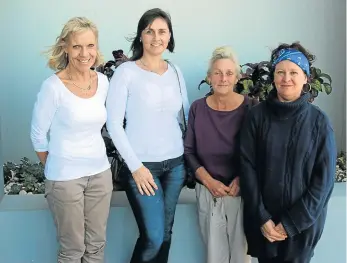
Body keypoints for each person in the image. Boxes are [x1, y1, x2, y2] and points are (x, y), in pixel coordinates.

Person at [239, 42, 337, 263]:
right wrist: (263, 218)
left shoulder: (319, 123)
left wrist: (291, 224)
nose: (286, 78)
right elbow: (247, 168)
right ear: (273, 77)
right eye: (280, 72)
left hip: (302, 228)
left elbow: (323, 183)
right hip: (265, 226)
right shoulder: (256, 117)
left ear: (305, 77)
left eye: (294, 72)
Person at [106, 8, 189, 263]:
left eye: (162, 31)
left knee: (164, 234)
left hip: (175, 166)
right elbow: (113, 124)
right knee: (152, 237)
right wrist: (136, 167)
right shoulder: (126, 73)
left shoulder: (175, 71)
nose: (156, 37)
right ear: (140, 36)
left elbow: (184, 117)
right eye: (149, 31)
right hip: (143, 168)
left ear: (170, 36)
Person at [30, 17, 112, 263]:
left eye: (90, 46)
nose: (84, 53)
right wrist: (57, 167)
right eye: (77, 46)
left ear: (96, 48)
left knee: (96, 247)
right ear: (65, 47)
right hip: (65, 180)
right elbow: (37, 134)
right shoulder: (53, 87)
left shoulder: (103, 82)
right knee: (72, 250)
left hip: (100, 174)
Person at [184, 46, 254, 263]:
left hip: (241, 192)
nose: (223, 78)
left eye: (229, 73)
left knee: (241, 256)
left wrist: (242, 179)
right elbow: (189, 151)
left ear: (237, 77)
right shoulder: (197, 108)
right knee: (214, 257)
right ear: (209, 77)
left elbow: (259, 152)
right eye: (217, 73)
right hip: (208, 191)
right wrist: (208, 181)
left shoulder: (251, 108)